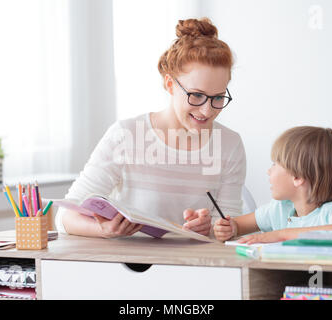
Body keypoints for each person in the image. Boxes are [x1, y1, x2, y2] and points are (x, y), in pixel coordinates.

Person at [55, 18, 246, 238]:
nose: (206, 110)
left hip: (194, 266)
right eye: (196, 95)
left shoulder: (229, 145)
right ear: (170, 84)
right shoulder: (126, 136)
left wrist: (211, 229)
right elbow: (65, 217)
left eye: (218, 97)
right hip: (131, 266)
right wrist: (103, 230)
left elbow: (228, 226)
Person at [213, 126, 332, 244]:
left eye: (274, 164)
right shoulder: (280, 208)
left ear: (297, 176)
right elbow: (238, 226)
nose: (268, 171)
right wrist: (230, 228)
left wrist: (281, 235)